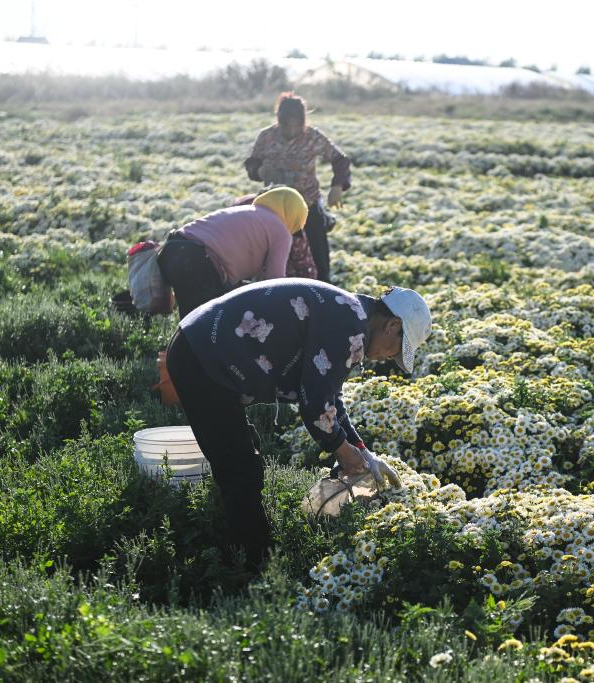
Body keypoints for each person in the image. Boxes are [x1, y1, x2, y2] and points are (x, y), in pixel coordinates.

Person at [164, 279, 433, 567]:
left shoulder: (351, 315)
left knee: (242, 454)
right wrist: (342, 451)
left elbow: (329, 397)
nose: (388, 358)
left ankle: (242, 546)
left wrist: (362, 452)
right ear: (392, 325)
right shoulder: (348, 326)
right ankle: (255, 569)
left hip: (201, 346)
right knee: (239, 470)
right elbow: (315, 406)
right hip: (202, 357)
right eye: (396, 349)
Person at [245, 92, 351, 282]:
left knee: (318, 262)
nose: (292, 128)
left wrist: (337, 186)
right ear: (279, 120)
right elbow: (252, 163)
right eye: (287, 124)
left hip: (307, 206)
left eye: (297, 123)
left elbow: (340, 160)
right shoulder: (267, 136)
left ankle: (322, 294)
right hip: (275, 210)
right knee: (275, 262)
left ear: (303, 120)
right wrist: (260, 171)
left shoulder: (313, 137)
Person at [157, 187, 307, 320]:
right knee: (204, 326)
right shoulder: (281, 232)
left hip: (172, 249)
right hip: (197, 261)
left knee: (189, 323)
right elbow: (275, 281)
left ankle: (173, 349)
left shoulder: (246, 211)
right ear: (293, 216)